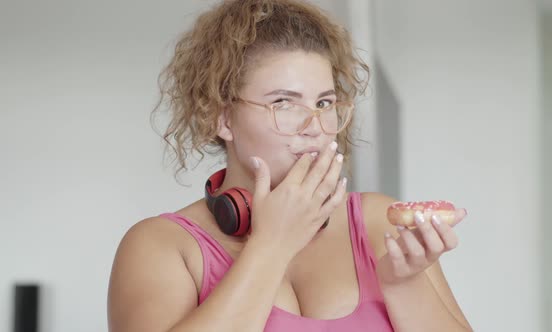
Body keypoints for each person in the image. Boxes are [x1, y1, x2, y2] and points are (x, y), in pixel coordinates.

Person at [107, 0, 473, 331]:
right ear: (223, 119)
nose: (314, 126)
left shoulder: (379, 222)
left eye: (325, 103)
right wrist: (271, 246)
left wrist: (404, 285)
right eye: (283, 102)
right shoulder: (161, 246)